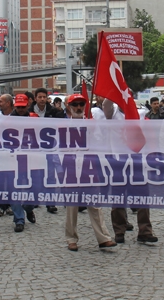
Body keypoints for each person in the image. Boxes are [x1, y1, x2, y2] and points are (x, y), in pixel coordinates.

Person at [97, 98, 158, 245]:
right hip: (118, 161)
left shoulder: (140, 114)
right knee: (118, 197)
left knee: (143, 197)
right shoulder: (112, 113)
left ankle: (145, 231)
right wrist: (112, 91)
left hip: (137, 160)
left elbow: (148, 135)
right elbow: (106, 104)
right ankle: (119, 231)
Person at [63, 93, 117, 251]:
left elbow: (101, 143)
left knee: (94, 204)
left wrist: (92, 132)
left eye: (81, 104)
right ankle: (71, 238)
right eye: (75, 105)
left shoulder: (93, 124)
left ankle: (103, 238)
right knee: (71, 206)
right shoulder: (63, 125)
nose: (79, 108)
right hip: (71, 168)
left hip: (89, 167)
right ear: (70, 107)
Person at [7, 94, 37, 232]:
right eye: (18, 107)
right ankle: (19, 220)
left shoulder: (35, 119)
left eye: (23, 107)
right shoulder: (6, 121)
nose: (20, 109)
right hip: (13, 160)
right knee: (13, 191)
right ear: (14, 106)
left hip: (31, 160)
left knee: (33, 190)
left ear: (28, 105)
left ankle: (28, 208)